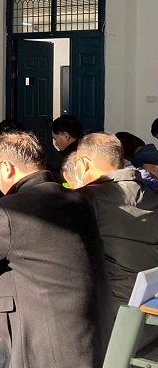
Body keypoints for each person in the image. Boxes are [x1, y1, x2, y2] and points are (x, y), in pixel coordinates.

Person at [0, 131, 112, 368]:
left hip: (39, 345)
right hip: (85, 335)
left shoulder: (11, 210)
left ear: (7, 168)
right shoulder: (77, 199)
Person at [63, 133, 158, 311]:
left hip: (108, 308)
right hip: (147, 302)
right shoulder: (150, 193)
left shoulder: (87, 199)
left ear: (83, 165)